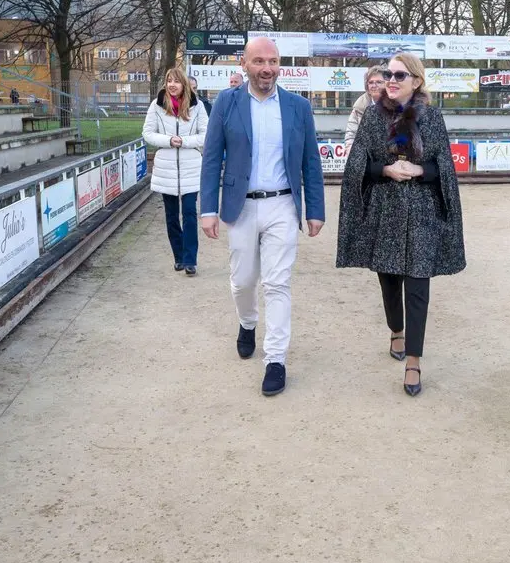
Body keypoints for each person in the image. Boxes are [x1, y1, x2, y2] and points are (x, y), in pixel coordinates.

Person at [199, 36, 325, 397]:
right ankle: (247, 322)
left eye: (272, 61)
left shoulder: (298, 107)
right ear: (245, 64)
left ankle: (276, 360)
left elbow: (310, 163)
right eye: (259, 61)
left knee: (278, 283)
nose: (267, 68)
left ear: (279, 65)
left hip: (283, 205)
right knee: (242, 281)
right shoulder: (227, 102)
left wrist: (314, 209)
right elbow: (211, 158)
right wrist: (208, 208)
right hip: (241, 206)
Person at [335, 53, 466, 397]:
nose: (391, 80)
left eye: (399, 75)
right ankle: (396, 328)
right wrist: (387, 170)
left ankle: (414, 360)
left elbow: (445, 170)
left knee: (418, 284)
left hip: (422, 212)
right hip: (386, 210)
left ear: (417, 81)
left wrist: (422, 171)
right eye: (388, 74)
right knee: (390, 279)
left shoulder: (433, 117)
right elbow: (358, 165)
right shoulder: (374, 116)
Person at [142, 68, 210, 276]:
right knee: (171, 216)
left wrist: (185, 142)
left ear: (184, 85)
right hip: (166, 168)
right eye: (168, 81)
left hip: (191, 167)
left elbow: (206, 135)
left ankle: (190, 260)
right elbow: (147, 133)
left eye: (176, 81)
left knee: (189, 213)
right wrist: (168, 141)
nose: (172, 85)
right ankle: (179, 256)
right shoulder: (157, 105)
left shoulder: (197, 107)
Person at [343, 66, 387, 152]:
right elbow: (350, 135)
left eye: (379, 82)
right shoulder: (359, 107)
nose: (374, 85)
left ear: (387, 84)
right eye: (371, 82)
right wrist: (353, 153)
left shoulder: (397, 106)